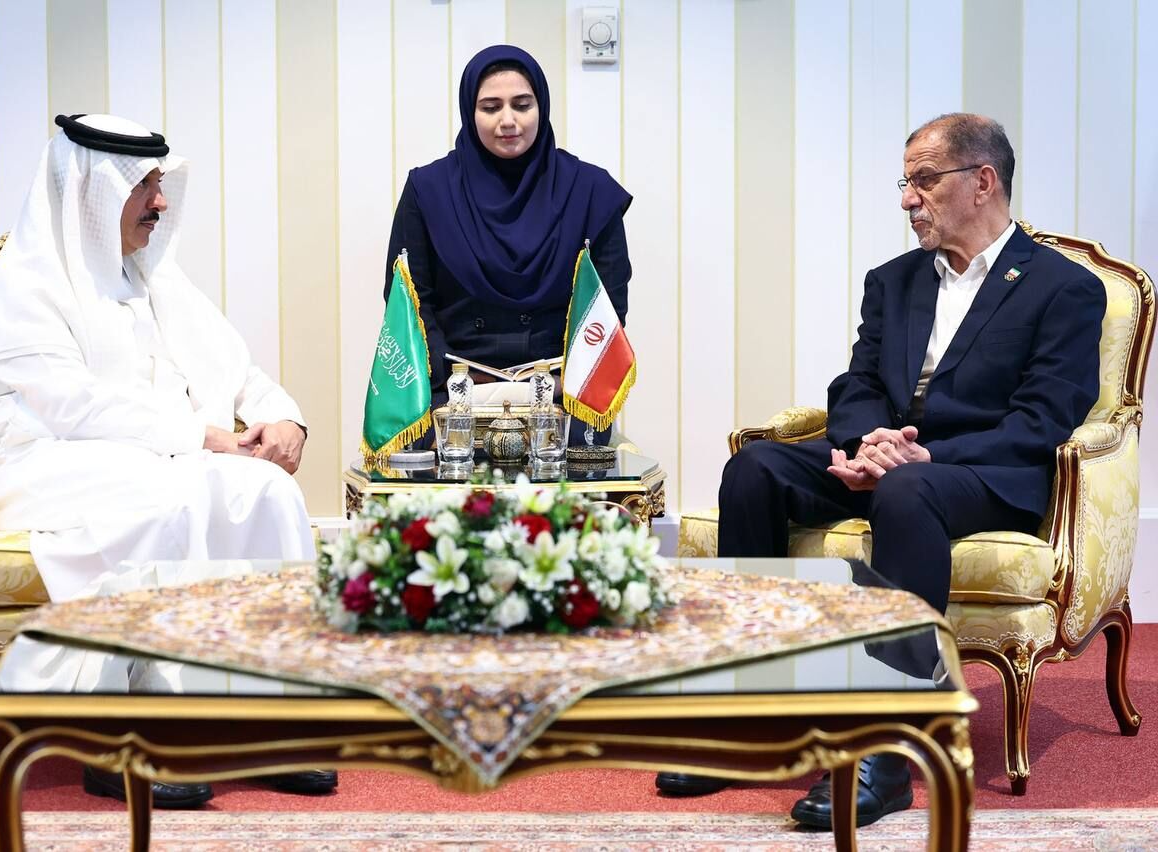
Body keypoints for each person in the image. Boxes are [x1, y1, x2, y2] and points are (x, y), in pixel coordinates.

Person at [657, 113, 1106, 827]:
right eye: (905, 182)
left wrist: (924, 456)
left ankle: (882, 753)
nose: (907, 199)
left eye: (923, 180)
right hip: (891, 460)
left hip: (982, 473)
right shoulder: (893, 281)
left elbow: (1044, 418)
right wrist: (868, 443)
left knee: (908, 487)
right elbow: (859, 382)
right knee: (755, 469)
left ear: (983, 181)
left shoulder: (1063, 288)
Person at [0, 113, 336, 806]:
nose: (160, 202)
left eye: (160, 183)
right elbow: (72, 406)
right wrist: (205, 437)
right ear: (91, 192)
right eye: (142, 186)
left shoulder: (154, 276)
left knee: (266, 493)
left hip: (156, 454)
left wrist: (283, 417)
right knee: (169, 497)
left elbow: (234, 364)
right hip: (44, 464)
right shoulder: (31, 286)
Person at [384, 44, 632, 443]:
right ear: (469, 111)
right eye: (490, 107)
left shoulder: (590, 191)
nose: (508, 121)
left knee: (582, 469)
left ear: (541, 107)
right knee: (431, 469)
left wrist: (565, 384)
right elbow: (410, 301)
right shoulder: (428, 190)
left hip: (562, 392)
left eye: (522, 105)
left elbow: (609, 305)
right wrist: (451, 383)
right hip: (452, 388)